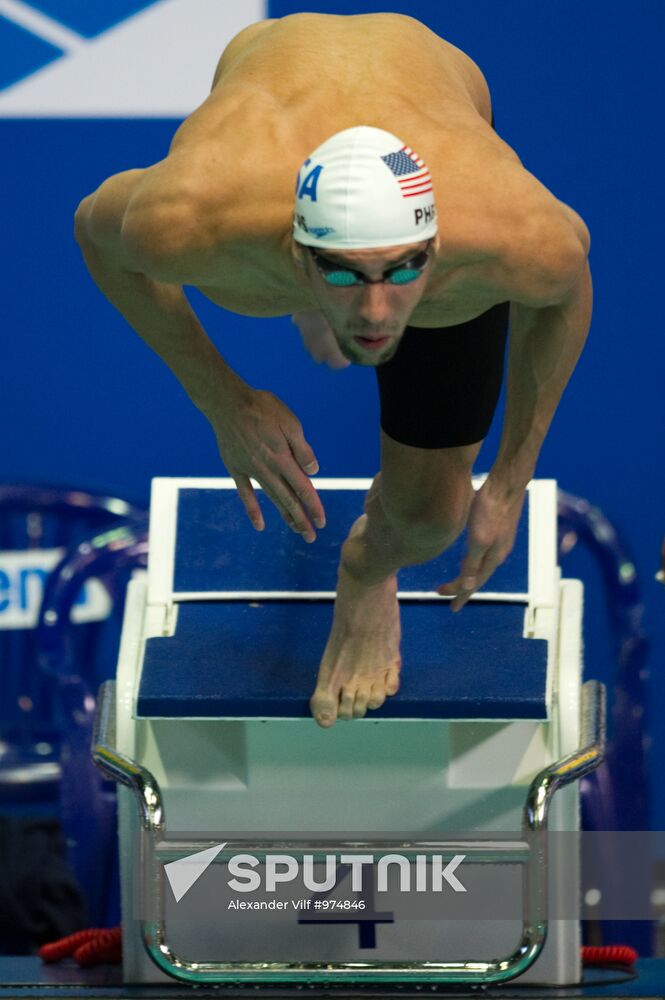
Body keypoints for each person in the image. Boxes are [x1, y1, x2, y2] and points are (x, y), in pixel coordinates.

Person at [74, 13, 592, 728]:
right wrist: (224, 401)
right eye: (345, 275)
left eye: (401, 271)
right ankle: (324, 304)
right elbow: (96, 236)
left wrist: (509, 480)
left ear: (435, 245)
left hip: (437, 81)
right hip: (267, 94)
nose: (379, 310)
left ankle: (366, 569)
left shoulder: (506, 234)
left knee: (428, 518)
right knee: (351, 322)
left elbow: (566, 297)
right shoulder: (189, 215)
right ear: (294, 252)